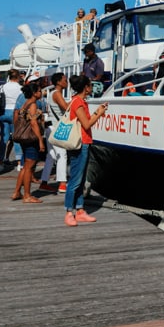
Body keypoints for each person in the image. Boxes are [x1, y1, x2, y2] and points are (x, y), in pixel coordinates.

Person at [64, 75, 106, 227]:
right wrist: (99, 112)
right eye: (90, 86)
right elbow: (87, 124)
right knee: (75, 180)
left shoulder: (79, 101)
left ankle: (80, 210)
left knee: (80, 179)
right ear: (86, 87)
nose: (92, 88)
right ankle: (69, 212)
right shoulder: (78, 103)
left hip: (84, 143)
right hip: (80, 143)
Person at [10, 82, 47, 203]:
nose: (41, 93)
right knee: (29, 168)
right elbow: (33, 123)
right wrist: (41, 140)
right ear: (35, 93)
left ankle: (17, 192)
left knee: (24, 166)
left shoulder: (26, 103)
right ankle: (27, 195)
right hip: (31, 139)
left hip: (23, 138)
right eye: (39, 91)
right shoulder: (33, 105)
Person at [40, 72, 70, 193]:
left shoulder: (52, 93)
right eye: (64, 80)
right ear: (58, 82)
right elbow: (66, 108)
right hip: (56, 128)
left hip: (50, 126)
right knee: (62, 154)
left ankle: (44, 182)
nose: (66, 82)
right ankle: (62, 183)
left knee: (51, 155)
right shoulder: (57, 94)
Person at [0, 69, 23, 169]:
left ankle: (0, 162)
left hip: (3, 113)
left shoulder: (2, 87)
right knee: (16, 139)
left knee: (4, 139)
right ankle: (19, 163)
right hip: (15, 113)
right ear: (17, 77)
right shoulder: (20, 88)